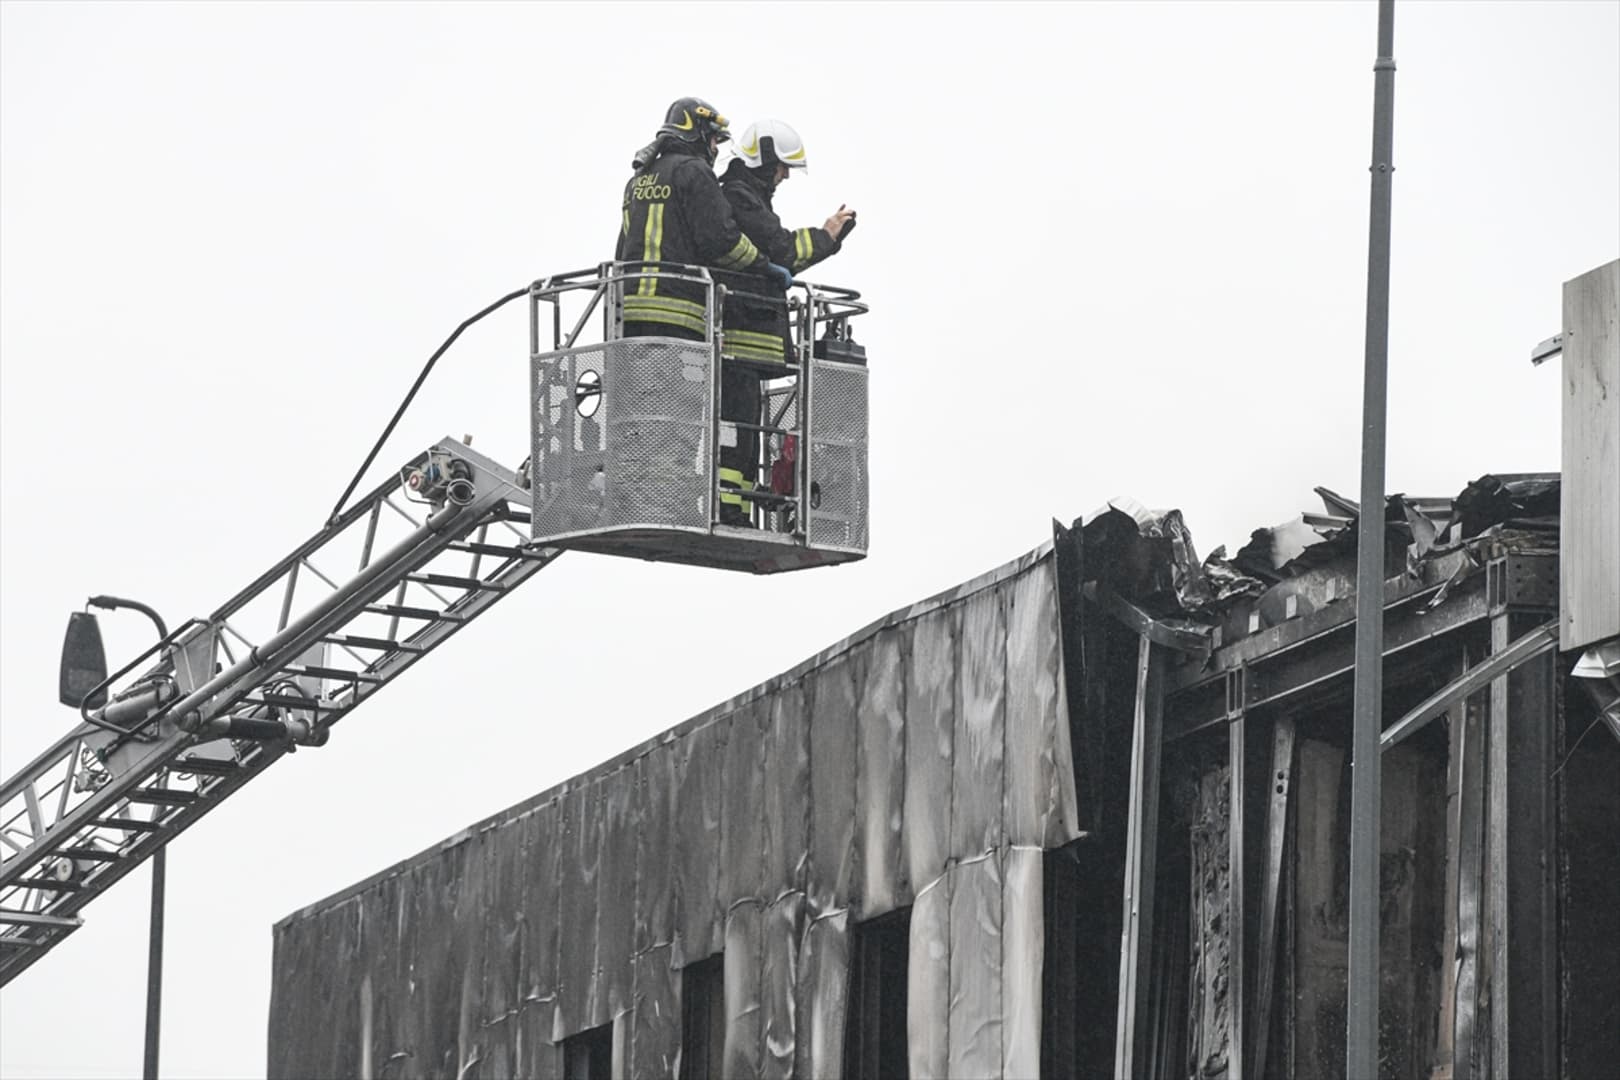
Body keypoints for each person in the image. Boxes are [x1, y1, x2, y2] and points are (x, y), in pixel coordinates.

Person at [614, 98, 787, 524]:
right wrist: (765, 267)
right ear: (698, 135)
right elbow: (722, 242)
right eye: (713, 139)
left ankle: (641, 498)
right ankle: (669, 505)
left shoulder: (638, 180)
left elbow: (623, 246)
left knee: (644, 413)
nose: (715, 148)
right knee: (681, 417)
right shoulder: (695, 174)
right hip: (680, 315)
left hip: (631, 314)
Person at [715, 119, 857, 524]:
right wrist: (827, 237)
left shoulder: (746, 197)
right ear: (763, 160)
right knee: (737, 432)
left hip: (747, 340)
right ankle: (730, 510)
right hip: (740, 337)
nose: (784, 176)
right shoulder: (740, 198)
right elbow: (781, 249)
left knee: (744, 433)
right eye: (781, 167)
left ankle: (736, 508)